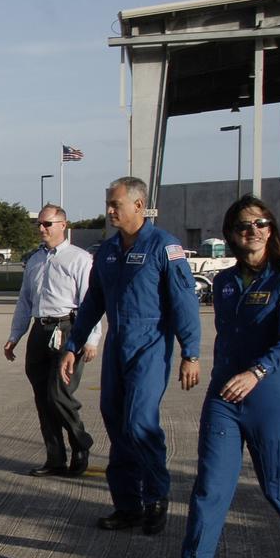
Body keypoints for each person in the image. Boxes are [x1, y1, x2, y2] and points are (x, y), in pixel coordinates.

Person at [166, 196, 280, 558]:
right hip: (225, 398)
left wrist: (258, 371)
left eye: (260, 223)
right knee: (209, 491)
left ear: (271, 229)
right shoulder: (225, 282)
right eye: (242, 226)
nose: (251, 231)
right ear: (231, 234)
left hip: (270, 396)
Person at [61, 177, 201, 535]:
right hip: (117, 347)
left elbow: (184, 302)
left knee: (140, 423)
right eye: (109, 204)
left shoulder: (163, 247)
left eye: (115, 205)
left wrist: (191, 352)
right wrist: (73, 345)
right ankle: (127, 505)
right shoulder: (107, 251)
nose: (109, 211)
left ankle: (156, 496)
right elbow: (93, 301)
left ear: (138, 206)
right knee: (115, 420)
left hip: (150, 346)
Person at [4, 205, 100, 477]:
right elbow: (25, 301)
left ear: (63, 225)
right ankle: (55, 458)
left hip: (68, 330)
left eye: (47, 224)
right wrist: (15, 336)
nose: (41, 229)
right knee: (42, 398)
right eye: (39, 224)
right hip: (40, 329)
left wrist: (91, 338)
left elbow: (90, 301)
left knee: (59, 393)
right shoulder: (35, 260)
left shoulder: (80, 259)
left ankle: (81, 441)